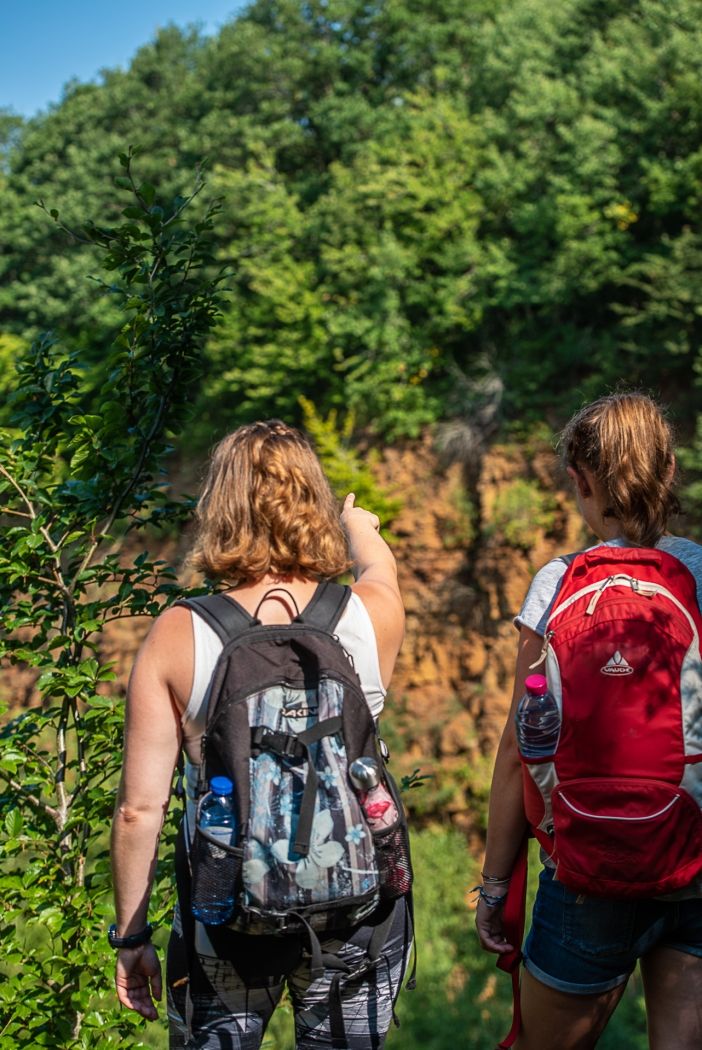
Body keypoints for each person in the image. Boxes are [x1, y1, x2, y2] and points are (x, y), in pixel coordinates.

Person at [110, 419, 408, 1048]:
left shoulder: (180, 633)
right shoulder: (368, 614)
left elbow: (140, 809)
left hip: (226, 918)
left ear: (219, 506)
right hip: (357, 916)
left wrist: (132, 937)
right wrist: (358, 526)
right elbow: (380, 566)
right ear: (314, 503)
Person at [475, 393, 702, 1050]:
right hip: (693, 862)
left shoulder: (557, 583)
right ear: (668, 471)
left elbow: (519, 746)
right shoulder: (698, 572)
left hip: (585, 871)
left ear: (580, 481)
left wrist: (496, 886)